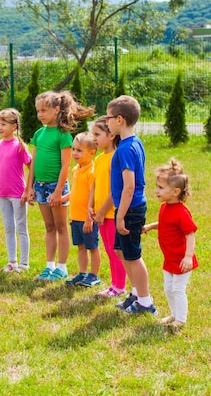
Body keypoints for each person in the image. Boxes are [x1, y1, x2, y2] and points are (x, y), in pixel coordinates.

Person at [25, 91, 95, 281]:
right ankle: (49, 266)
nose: (40, 115)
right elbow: (33, 162)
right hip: (39, 187)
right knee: (49, 227)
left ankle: (62, 267)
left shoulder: (63, 135)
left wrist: (57, 191)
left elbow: (66, 165)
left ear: (57, 110)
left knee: (60, 226)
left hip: (56, 187)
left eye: (44, 110)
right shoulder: (39, 134)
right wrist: (29, 187)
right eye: (38, 111)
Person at [105, 95, 156, 315]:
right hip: (128, 208)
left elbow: (129, 186)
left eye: (107, 118)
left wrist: (120, 215)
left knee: (133, 255)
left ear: (119, 119)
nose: (105, 122)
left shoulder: (126, 148)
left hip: (130, 209)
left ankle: (146, 303)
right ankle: (135, 293)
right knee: (120, 249)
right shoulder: (133, 143)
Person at [143, 159, 198, 329]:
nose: (156, 191)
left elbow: (190, 234)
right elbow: (166, 224)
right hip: (170, 259)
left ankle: (180, 319)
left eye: (161, 188)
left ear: (175, 191)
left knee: (177, 289)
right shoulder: (165, 207)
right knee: (168, 289)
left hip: (181, 260)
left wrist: (188, 257)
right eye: (157, 186)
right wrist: (152, 226)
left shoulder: (181, 212)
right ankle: (174, 314)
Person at [0, 108, 33, 273]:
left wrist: (28, 190)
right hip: (3, 193)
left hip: (18, 194)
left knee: (21, 227)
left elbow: (31, 168)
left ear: (14, 126)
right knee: (8, 227)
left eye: (3, 124)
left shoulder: (20, 146)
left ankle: (24, 263)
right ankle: (12, 261)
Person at [89, 116, 127, 298]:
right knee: (109, 251)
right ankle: (114, 285)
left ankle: (120, 286)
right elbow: (95, 184)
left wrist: (103, 211)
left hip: (111, 214)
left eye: (97, 134)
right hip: (100, 214)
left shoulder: (115, 158)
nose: (93, 138)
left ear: (111, 135)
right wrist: (91, 205)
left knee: (115, 252)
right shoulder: (98, 158)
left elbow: (115, 190)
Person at [64, 132, 102, 287]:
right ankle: (83, 273)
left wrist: (89, 219)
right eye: (74, 149)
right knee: (80, 247)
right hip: (75, 217)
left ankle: (94, 275)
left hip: (87, 219)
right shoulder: (75, 170)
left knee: (92, 247)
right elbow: (75, 192)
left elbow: (93, 198)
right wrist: (62, 198)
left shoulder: (92, 173)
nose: (74, 153)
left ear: (92, 153)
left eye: (79, 150)